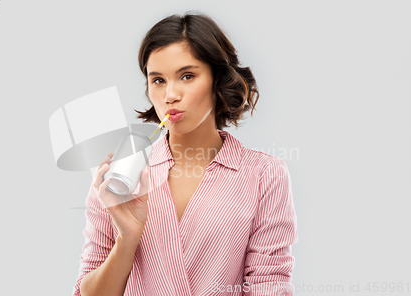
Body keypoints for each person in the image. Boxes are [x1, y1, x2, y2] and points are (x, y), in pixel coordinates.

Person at [73, 11, 297, 296]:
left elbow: (269, 285)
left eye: (187, 76)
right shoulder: (118, 179)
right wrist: (127, 239)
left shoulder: (264, 175)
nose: (170, 95)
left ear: (217, 80)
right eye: (158, 80)